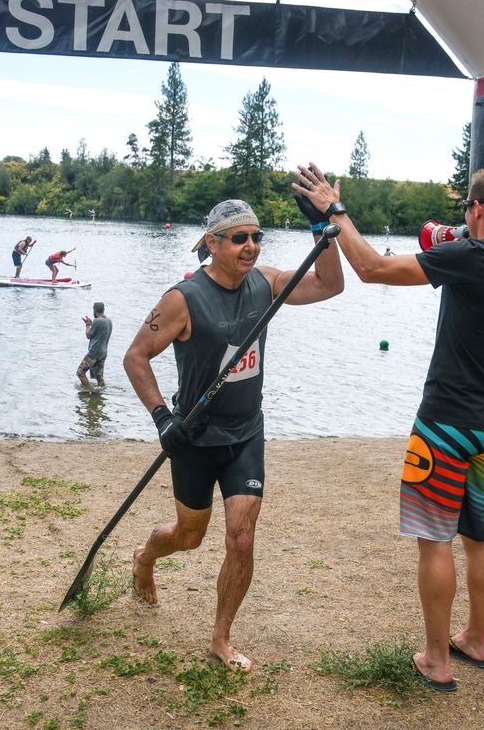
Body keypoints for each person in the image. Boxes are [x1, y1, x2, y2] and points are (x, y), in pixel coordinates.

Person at [295, 163, 484, 692]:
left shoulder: (469, 257)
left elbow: (370, 268)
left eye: (467, 209)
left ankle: (437, 658)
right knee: (479, 539)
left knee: (434, 542)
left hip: (444, 425)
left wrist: (333, 213)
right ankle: (477, 639)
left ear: (477, 208)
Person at [123, 196, 343, 672]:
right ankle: (144, 557)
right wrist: (163, 417)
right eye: (239, 238)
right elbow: (135, 357)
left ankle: (220, 638)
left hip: (245, 433)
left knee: (241, 540)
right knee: (188, 536)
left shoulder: (266, 284)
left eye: (257, 237)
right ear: (212, 243)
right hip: (195, 436)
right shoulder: (182, 299)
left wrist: (322, 224)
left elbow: (330, 284)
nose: (251, 246)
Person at [77, 302, 112, 390]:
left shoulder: (97, 321)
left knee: (80, 373)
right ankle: (100, 393)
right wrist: (92, 324)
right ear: (103, 309)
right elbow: (100, 330)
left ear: (94, 310)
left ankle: (89, 392)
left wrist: (88, 325)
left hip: (94, 353)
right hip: (103, 353)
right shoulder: (108, 321)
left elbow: (88, 335)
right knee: (99, 377)